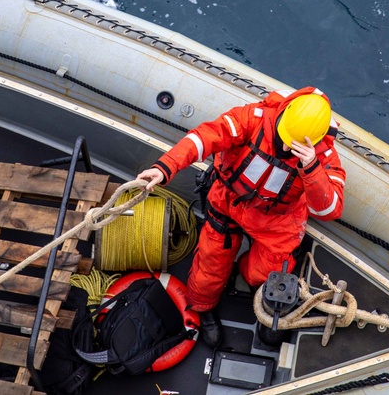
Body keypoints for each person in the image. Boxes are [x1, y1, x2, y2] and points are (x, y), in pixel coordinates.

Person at [137, 87, 346, 347]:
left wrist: (311, 168)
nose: (282, 146)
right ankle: (203, 306)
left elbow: (329, 209)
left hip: (275, 220)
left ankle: (245, 276)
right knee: (210, 263)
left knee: (266, 272)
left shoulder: (324, 157)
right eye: (282, 136)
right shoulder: (253, 118)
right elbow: (204, 137)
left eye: (291, 145)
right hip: (228, 201)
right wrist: (164, 168)